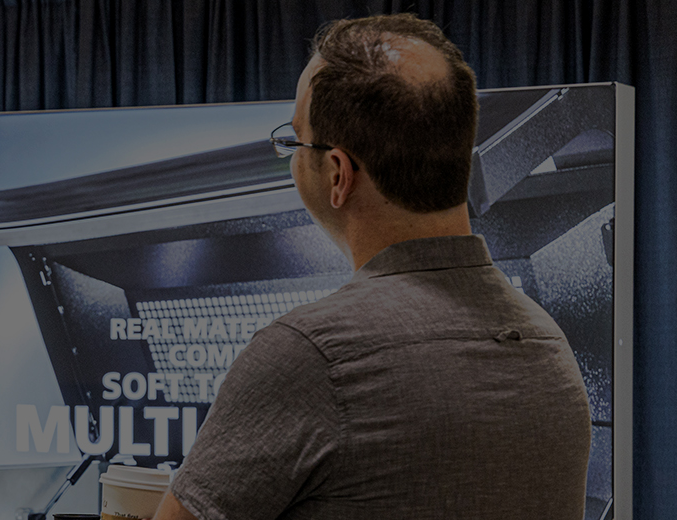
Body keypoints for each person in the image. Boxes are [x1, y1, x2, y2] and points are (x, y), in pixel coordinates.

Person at [155, 13, 592, 520]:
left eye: (295, 142)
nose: (292, 158)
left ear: (339, 174)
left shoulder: (312, 355)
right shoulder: (549, 349)